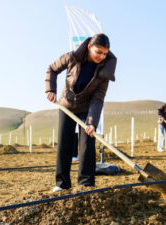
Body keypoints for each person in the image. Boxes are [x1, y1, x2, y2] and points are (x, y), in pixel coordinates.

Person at [45, 33, 117, 192]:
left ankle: (86, 183)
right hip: (67, 106)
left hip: (86, 109)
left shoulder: (105, 71)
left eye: (105, 53)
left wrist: (91, 122)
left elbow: (98, 99)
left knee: (87, 144)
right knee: (65, 143)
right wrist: (50, 89)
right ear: (90, 47)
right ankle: (61, 184)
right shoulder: (72, 57)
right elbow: (52, 69)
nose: (102, 56)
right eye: (98, 52)